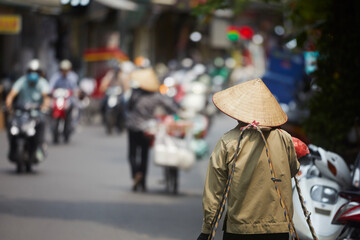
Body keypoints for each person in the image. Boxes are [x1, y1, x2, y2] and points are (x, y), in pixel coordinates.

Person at [197, 79, 300, 240]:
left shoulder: (228, 141)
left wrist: (207, 229)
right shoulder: (284, 138)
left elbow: (215, 190)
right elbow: (293, 169)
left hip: (240, 229)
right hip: (278, 228)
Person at [126, 67, 179, 192]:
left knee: (132, 154)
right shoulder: (156, 96)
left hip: (133, 126)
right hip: (147, 129)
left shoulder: (135, 94)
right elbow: (171, 107)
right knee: (144, 155)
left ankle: (135, 174)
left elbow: (128, 107)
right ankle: (143, 182)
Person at [5, 59, 50, 161]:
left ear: (40, 73)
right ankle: (12, 148)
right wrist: (9, 105)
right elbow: (11, 95)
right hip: (21, 113)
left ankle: (39, 147)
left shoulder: (42, 83)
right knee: (10, 123)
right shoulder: (22, 81)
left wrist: (45, 106)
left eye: (36, 72)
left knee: (42, 123)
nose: (33, 74)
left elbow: (46, 98)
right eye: (31, 72)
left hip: (36, 114)